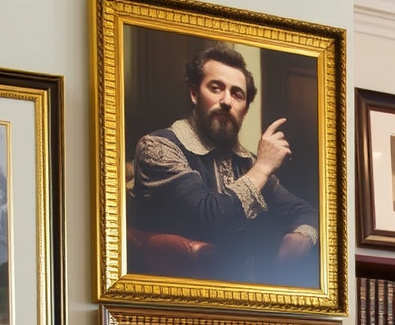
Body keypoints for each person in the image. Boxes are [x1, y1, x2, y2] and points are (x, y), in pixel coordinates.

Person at [130, 43, 319, 285]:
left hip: (249, 303)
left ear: (245, 110)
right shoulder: (157, 146)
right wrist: (263, 167)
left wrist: (303, 236)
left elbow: (307, 212)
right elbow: (209, 217)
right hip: (176, 305)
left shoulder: (247, 161)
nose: (227, 101)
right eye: (216, 88)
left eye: (237, 94)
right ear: (194, 94)